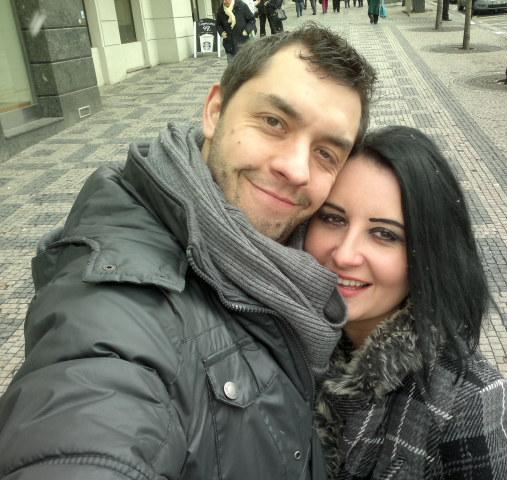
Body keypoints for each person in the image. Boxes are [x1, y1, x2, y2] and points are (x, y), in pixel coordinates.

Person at [0, 25, 376, 479]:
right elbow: (88, 421)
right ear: (215, 111)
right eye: (274, 122)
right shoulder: (117, 314)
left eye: (326, 153)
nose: (296, 169)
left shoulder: (288, 263)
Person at [305, 126, 507, 479]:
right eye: (333, 218)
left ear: (429, 252)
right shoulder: (282, 339)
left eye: (384, 234)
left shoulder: (466, 402)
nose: (344, 254)